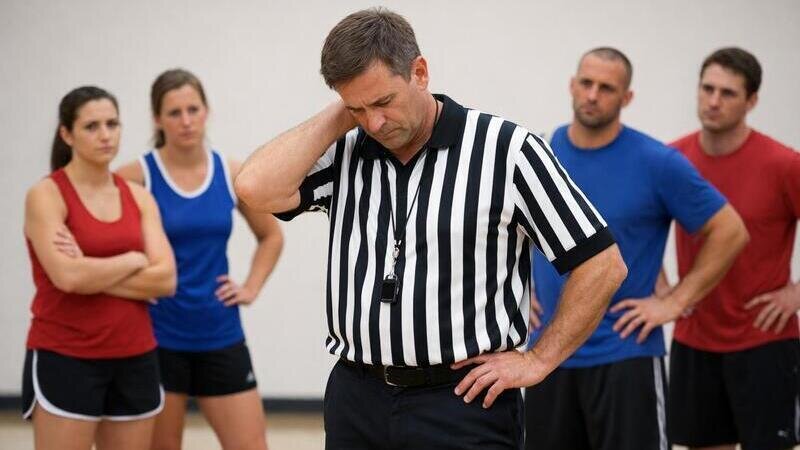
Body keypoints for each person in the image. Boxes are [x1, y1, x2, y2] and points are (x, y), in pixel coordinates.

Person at [234, 8, 628, 450]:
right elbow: (253, 188)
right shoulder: (347, 149)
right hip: (356, 397)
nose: (374, 123)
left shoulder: (507, 151)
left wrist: (539, 359)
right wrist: (341, 116)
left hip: (462, 401)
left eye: (383, 101)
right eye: (357, 108)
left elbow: (603, 264)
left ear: (419, 72)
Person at [523, 47, 749, 450]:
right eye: (586, 83)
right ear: (572, 85)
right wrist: (521, 293)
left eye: (607, 88)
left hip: (625, 356)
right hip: (548, 354)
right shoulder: (540, 153)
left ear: (626, 97)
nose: (593, 95)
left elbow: (729, 231)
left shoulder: (657, 162)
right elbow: (509, 228)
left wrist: (673, 303)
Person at [116, 69, 283, 450]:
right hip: (158, 336)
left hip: (220, 332)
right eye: (174, 113)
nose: (186, 121)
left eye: (193, 109)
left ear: (207, 111)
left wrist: (251, 287)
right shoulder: (135, 176)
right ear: (157, 119)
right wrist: (131, 284)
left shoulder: (231, 172)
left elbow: (271, 236)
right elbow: (101, 231)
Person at [22, 86, 177, 450]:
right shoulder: (46, 195)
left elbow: (166, 280)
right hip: (66, 355)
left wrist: (88, 270)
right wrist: (133, 260)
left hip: (135, 355)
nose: (105, 135)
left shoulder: (138, 196)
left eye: (112, 124)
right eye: (91, 126)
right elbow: (67, 277)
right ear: (67, 134)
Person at [666, 47, 800, 450]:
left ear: (751, 101)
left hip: (764, 339)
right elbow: (635, 226)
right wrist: (664, 291)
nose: (713, 101)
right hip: (694, 338)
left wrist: (796, 293)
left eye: (727, 93)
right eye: (707, 89)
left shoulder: (783, 164)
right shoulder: (673, 160)